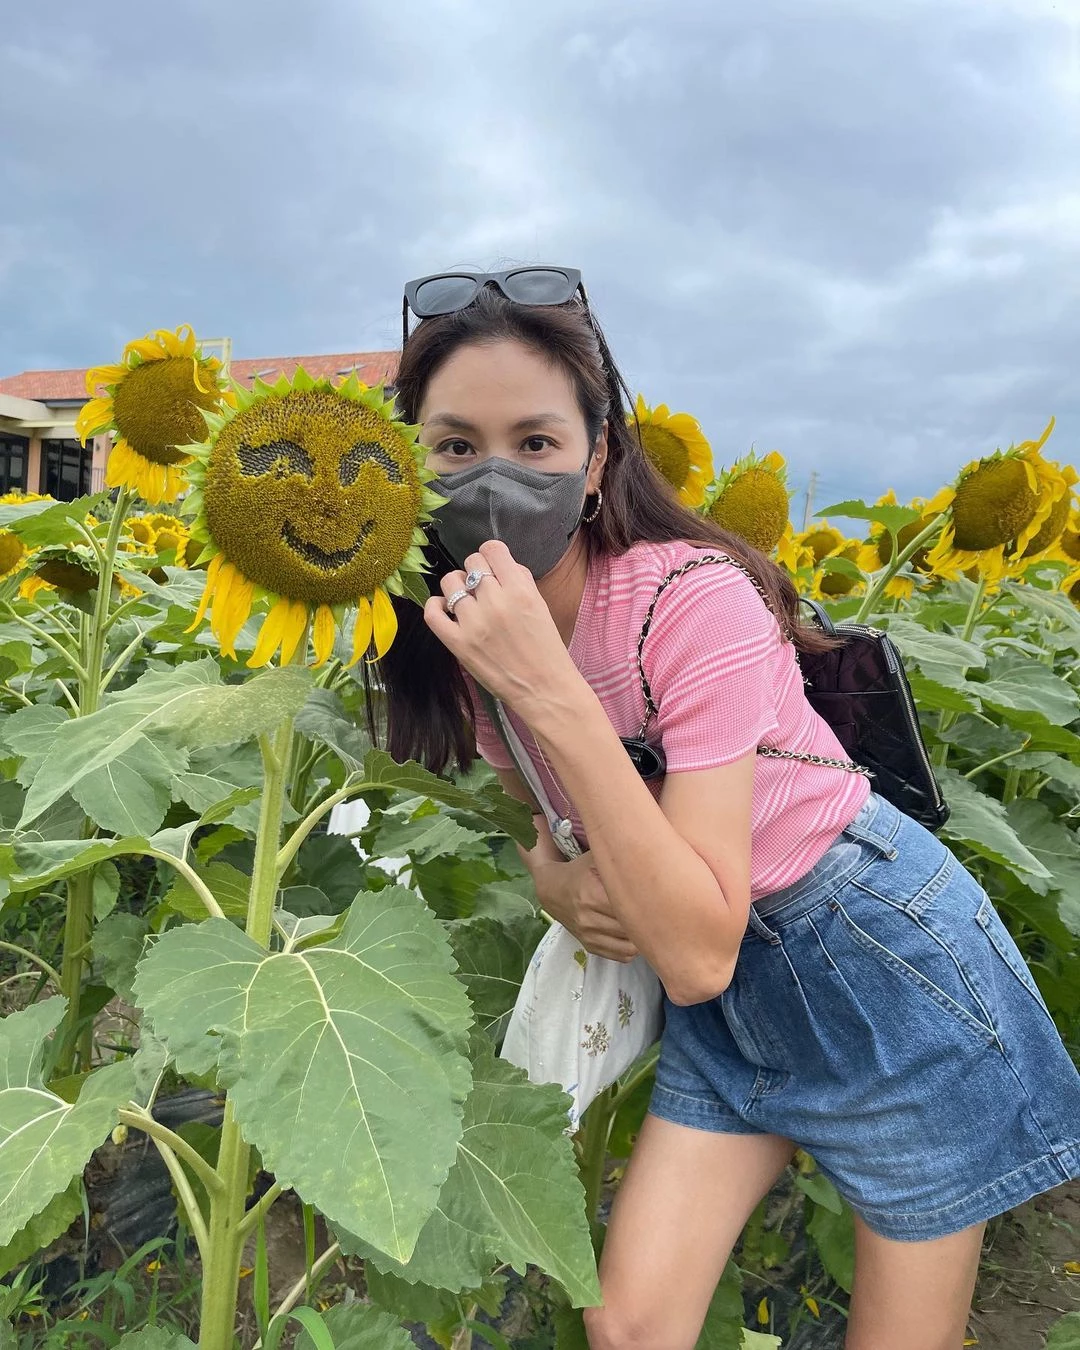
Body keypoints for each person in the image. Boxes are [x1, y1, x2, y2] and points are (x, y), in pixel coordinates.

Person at [377, 267, 1080, 1350]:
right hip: (736, 991)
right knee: (629, 1326)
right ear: (410, 468)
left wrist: (547, 687)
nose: (495, 477)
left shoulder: (688, 596)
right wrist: (552, 881)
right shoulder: (460, 643)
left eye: (537, 443)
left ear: (599, 457)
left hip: (878, 964)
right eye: (456, 448)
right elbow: (553, 821)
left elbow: (695, 945)